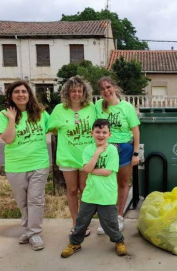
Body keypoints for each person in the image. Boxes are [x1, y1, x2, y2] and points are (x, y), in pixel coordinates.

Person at [61, 119, 127, 258]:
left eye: (104, 132)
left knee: (110, 223)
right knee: (81, 222)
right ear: (92, 133)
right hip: (90, 194)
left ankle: (119, 241)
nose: (101, 135)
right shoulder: (88, 150)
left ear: (109, 134)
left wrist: (90, 169)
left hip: (106, 194)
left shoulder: (113, 150)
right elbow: (86, 169)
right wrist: (96, 153)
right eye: (98, 132)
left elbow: (107, 171)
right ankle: (74, 243)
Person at [0, 80, 50, 251]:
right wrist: (12, 119)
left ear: (29, 94)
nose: (21, 94)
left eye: (24, 91)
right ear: (11, 96)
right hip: (15, 166)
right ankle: (28, 230)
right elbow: (8, 139)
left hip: (39, 163)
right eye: (16, 92)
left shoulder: (41, 114)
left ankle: (35, 233)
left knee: (35, 200)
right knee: (23, 202)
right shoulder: (4, 115)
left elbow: (55, 128)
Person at [48, 76, 96, 236]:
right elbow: (51, 128)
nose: (76, 94)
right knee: (72, 190)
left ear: (84, 92)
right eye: (73, 91)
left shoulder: (91, 108)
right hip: (67, 156)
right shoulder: (59, 109)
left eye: (79, 90)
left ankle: (84, 222)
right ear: (67, 92)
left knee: (85, 189)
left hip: (86, 157)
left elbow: (99, 127)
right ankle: (76, 223)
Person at [95, 77, 140, 233]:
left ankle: (119, 216)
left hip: (124, 149)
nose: (106, 91)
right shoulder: (98, 106)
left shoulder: (126, 107)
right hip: (105, 150)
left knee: (122, 182)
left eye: (108, 87)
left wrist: (135, 153)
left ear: (114, 87)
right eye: (102, 89)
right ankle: (106, 219)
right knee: (106, 184)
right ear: (100, 92)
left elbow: (135, 131)